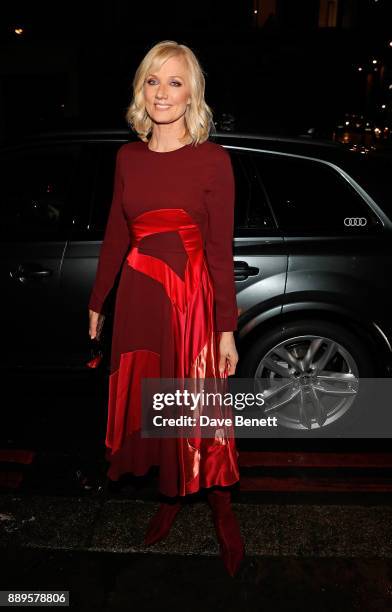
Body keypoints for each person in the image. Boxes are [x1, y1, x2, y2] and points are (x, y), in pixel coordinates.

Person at [88, 40, 244, 577]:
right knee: (152, 403)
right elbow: (115, 231)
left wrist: (227, 327)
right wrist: (98, 300)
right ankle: (171, 493)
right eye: (154, 80)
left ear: (192, 93)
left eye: (175, 82)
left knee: (195, 405)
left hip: (190, 303)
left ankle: (221, 508)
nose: (162, 93)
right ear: (141, 88)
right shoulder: (127, 156)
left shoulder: (213, 160)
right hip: (138, 295)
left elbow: (221, 251)